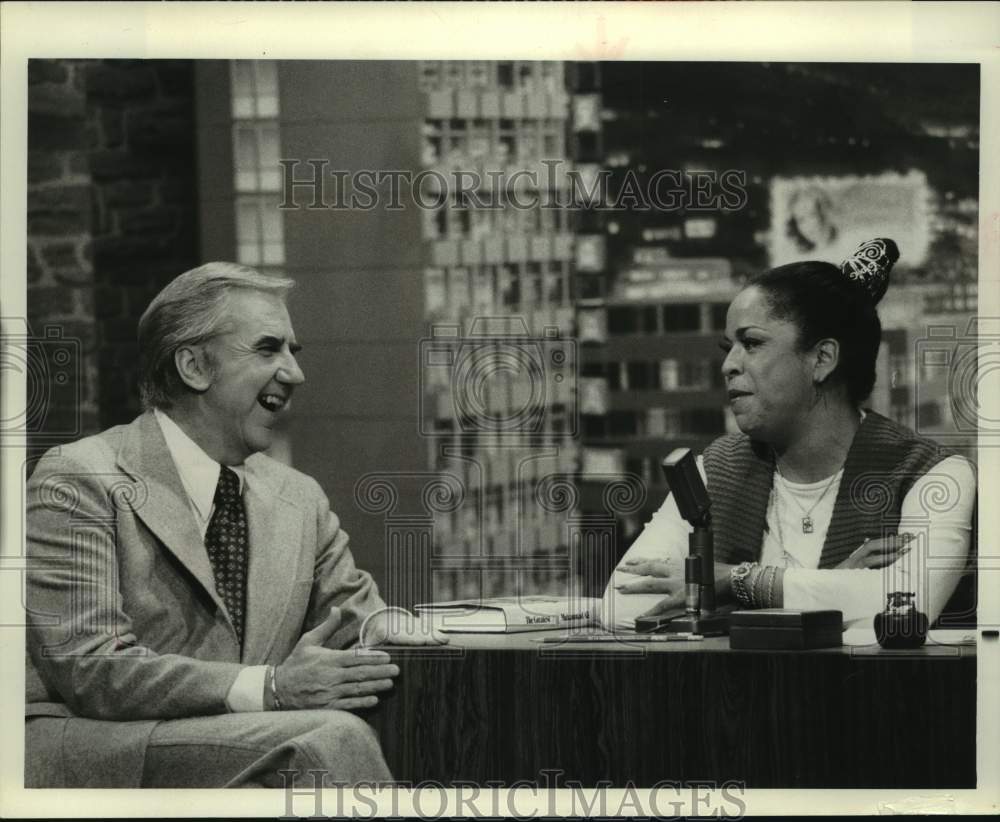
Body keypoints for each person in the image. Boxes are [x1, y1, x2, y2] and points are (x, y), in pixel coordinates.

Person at [24, 262, 446, 788]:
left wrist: (498, 630)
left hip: (243, 734)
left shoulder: (298, 497)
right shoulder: (78, 478)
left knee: (434, 714)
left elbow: (365, 626)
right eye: (269, 349)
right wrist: (270, 687)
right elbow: (90, 669)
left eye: (293, 352)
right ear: (194, 366)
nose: (295, 373)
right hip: (111, 743)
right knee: (328, 739)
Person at [601, 238, 976, 632]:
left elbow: (905, 605)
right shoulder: (713, 471)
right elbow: (624, 606)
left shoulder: (934, 476)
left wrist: (734, 581)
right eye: (728, 348)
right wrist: (831, 585)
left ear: (822, 359)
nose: (728, 365)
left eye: (752, 343)